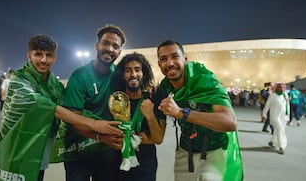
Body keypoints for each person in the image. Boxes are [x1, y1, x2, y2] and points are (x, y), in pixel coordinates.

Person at [0, 34, 122, 181]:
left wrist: (103, 134)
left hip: (38, 147)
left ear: (54, 58)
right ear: (29, 55)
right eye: (38, 54)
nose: (43, 60)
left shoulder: (54, 85)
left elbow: (71, 112)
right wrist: (95, 124)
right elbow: (50, 108)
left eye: (48, 55)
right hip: (14, 146)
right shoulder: (19, 80)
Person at [156, 40, 243, 181]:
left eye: (175, 57)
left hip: (214, 150)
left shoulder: (205, 80)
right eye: (164, 59)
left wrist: (181, 112)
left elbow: (230, 122)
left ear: (185, 59)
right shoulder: (165, 87)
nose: (170, 63)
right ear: (159, 64)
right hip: (185, 152)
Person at [54, 24, 127, 181]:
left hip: (107, 153)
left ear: (120, 52)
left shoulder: (120, 77)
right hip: (78, 152)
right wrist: (101, 137)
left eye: (115, 46)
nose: (109, 49)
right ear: (97, 45)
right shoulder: (79, 77)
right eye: (105, 43)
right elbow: (73, 120)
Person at [111, 52, 166, 181]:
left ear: (144, 74)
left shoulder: (154, 100)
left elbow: (158, 139)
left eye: (137, 70)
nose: (133, 74)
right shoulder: (116, 100)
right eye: (128, 70)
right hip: (116, 164)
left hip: (145, 166)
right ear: (122, 75)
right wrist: (143, 137)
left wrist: (150, 115)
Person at [262, 83, 289, 154]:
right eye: (280, 87)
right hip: (274, 116)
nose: (281, 89)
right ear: (276, 88)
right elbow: (267, 106)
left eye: (283, 87)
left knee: (278, 130)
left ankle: (271, 142)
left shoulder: (285, 95)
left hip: (283, 116)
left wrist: (288, 115)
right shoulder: (272, 96)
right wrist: (264, 114)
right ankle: (281, 147)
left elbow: (287, 105)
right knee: (280, 129)